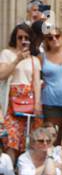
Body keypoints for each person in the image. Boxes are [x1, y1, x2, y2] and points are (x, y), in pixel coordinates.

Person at [1, 24, 42, 159]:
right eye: (20, 37)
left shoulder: (34, 60)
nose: (23, 40)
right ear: (15, 38)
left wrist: (37, 103)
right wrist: (17, 59)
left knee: (28, 140)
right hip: (11, 103)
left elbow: (36, 83)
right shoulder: (7, 54)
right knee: (11, 140)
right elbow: (2, 75)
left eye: (26, 37)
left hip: (28, 102)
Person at [39, 26, 62, 153]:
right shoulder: (42, 57)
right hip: (50, 102)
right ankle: (54, 169)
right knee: (53, 139)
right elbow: (37, 76)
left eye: (56, 36)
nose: (54, 39)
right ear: (46, 40)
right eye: (50, 37)